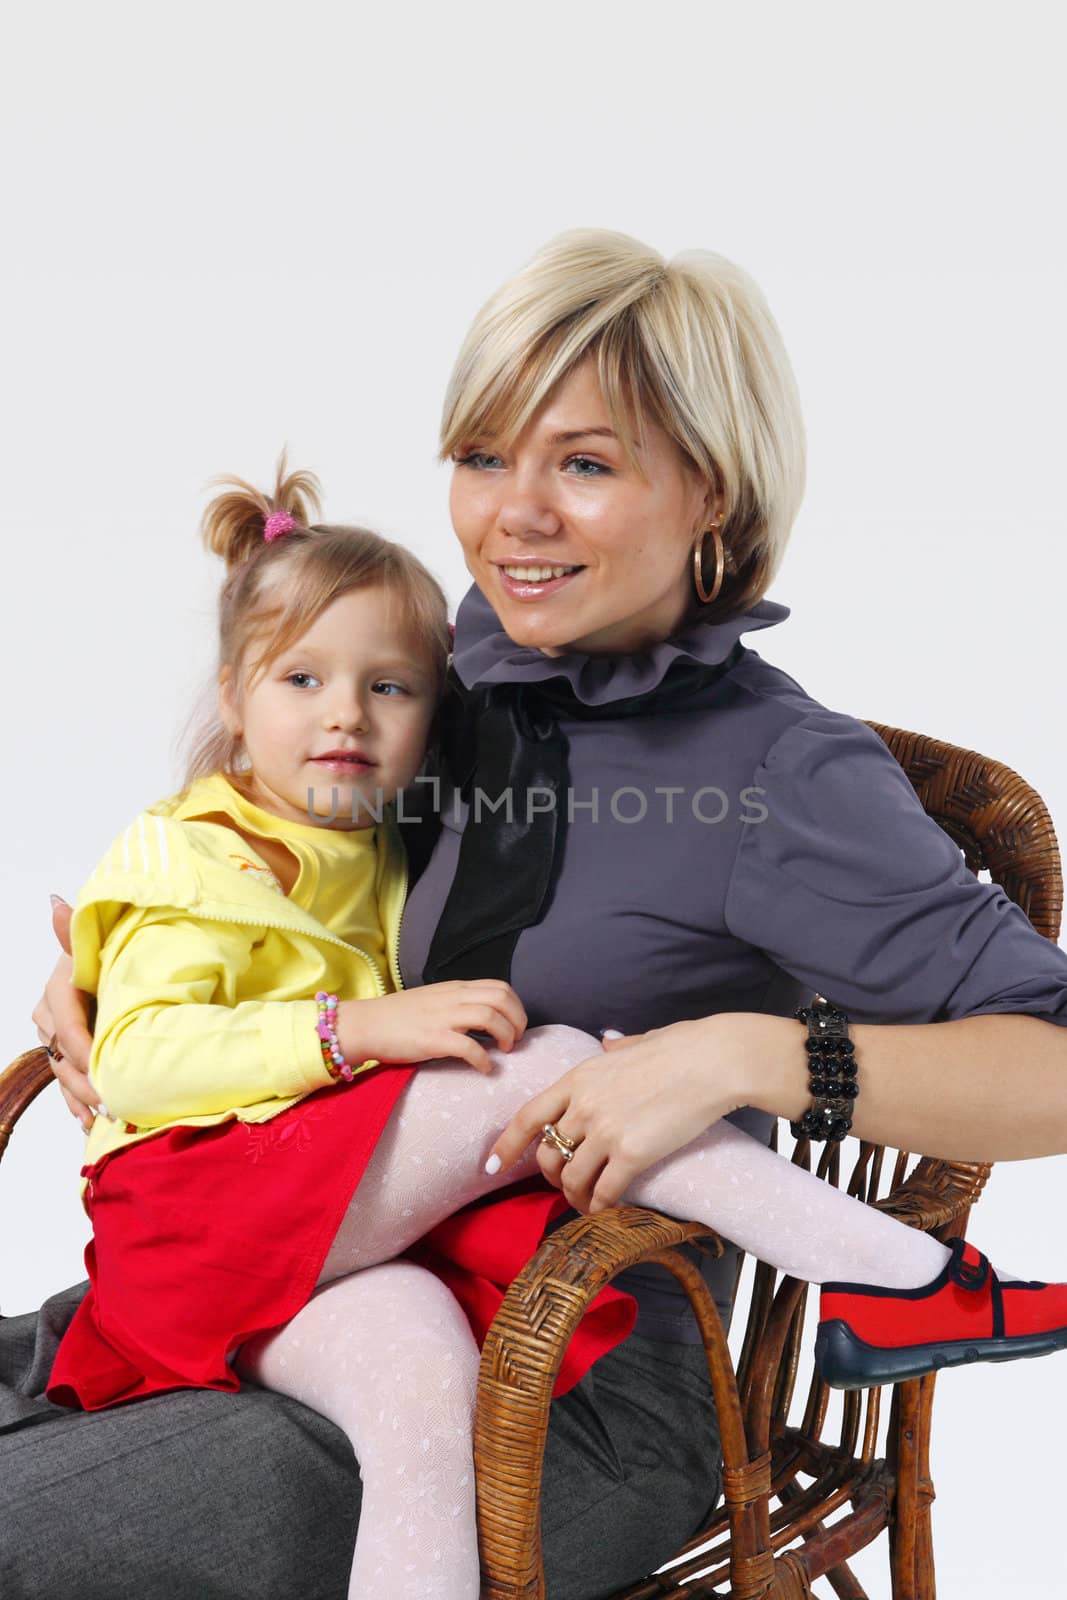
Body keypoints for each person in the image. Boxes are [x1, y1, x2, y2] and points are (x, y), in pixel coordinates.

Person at [15, 228, 1067, 1599]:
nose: (514, 514)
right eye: (482, 456)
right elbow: (262, 856)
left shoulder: (778, 777)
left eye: (584, 463)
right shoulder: (451, 669)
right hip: (298, 1273)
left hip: (565, 1395)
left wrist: (755, 1057)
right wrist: (115, 981)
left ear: (713, 492)